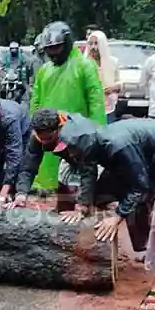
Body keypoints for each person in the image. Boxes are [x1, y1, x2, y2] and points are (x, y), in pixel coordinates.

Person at [26, 109, 155, 310]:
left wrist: (117, 217)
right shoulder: (87, 140)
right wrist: (82, 207)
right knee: (103, 195)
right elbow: (88, 169)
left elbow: (139, 187)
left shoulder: (118, 145)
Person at [29, 21, 106, 196]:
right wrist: (33, 124)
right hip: (47, 130)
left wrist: (98, 130)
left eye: (57, 48)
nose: (53, 53)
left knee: (76, 170)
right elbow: (35, 99)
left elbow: (96, 101)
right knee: (46, 163)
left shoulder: (85, 66)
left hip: (76, 132)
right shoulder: (44, 70)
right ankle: (45, 189)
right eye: (49, 49)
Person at [84, 30, 121, 125]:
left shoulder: (113, 62)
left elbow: (119, 82)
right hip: (88, 110)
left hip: (108, 109)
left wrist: (113, 88)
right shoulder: (83, 64)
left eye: (96, 43)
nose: (93, 47)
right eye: (90, 44)